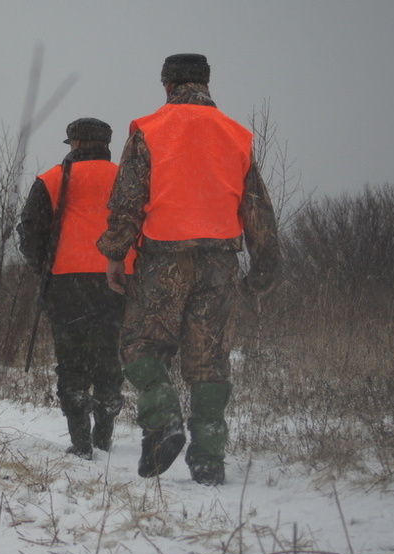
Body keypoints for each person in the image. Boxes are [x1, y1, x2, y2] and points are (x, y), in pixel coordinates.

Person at [97, 54, 281, 485]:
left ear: (166, 84)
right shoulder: (236, 135)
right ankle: (209, 462)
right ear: (206, 82)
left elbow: (127, 201)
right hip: (220, 261)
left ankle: (163, 419)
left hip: (163, 258)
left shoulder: (149, 130)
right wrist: (266, 264)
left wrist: (114, 255)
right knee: (209, 360)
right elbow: (255, 206)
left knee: (140, 344)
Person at [18, 118, 134, 459]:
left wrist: (42, 266)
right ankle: (104, 435)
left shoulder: (52, 179)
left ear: (76, 143)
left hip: (66, 283)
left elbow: (30, 231)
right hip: (117, 279)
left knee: (72, 364)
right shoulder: (126, 180)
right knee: (108, 358)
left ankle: (81, 441)